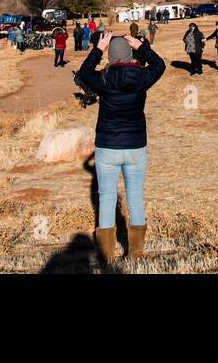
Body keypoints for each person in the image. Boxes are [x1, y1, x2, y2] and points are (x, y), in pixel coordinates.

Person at [75, 28, 166, 263]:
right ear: (129, 54)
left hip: (107, 146)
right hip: (135, 146)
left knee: (106, 198)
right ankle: (135, 253)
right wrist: (141, 46)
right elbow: (160, 65)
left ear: (109, 56)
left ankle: (106, 255)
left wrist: (98, 48)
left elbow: (84, 73)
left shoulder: (103, 79)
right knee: (135, 196)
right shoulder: (141, 77)